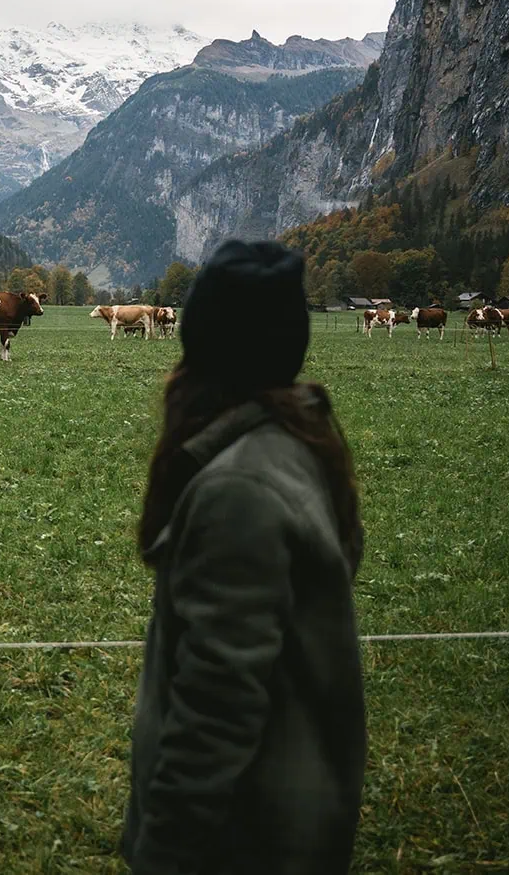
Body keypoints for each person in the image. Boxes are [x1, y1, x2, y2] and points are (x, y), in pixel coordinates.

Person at [121, 240, 367, 875]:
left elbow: (216, 712)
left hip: (242, 841)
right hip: (282, 821)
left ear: (205, 348)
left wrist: (163, 856)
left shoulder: (239, 492)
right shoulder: (293, 447)